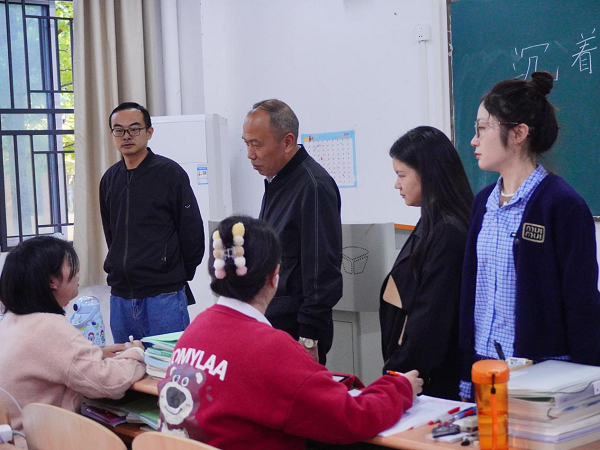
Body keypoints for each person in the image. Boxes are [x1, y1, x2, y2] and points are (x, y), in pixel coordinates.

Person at [157, 215, 423, 449]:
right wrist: (400, 388)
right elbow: (352, 418)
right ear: (275, 276)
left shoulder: (195, 329)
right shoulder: (269, 347)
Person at [459, 71, 600, 400]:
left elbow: (582, 305)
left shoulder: (561, 205)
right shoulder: (483, 203)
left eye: (482, 129)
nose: (474, 141)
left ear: (518, 133)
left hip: (542, 376)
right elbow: (472, 293)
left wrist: (588, 387)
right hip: (483, 368)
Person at [0, 236, 146, 446]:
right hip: (40, 442)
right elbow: (109, 382)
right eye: (71, 265)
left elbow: (50, 361)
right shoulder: (50, 327)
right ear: (52, 281)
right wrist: (136, 353)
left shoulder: (10, 321)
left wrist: (98, 353)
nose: (77, 273)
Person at [242, 99, 342, 364]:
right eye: (246, 143)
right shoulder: (277, 180)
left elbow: (322, 268)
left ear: (287, 142)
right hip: (271, 320)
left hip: (297, 329)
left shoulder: (313, 186)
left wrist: (309, 337)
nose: (250, 154)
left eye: (256, 144)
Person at [379, 126, 473, 400]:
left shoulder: (448, 233)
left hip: (433, 382)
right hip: (421, 376)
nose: (397, 185)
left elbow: (431, 319)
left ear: (427, 174)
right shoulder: (434, 221)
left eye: (401, 175)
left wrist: (397, 375)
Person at [100, 102, 205, 343]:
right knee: (127, 364)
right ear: (112, 134)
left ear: (149, 132)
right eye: (119, 130)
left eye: (134, 129)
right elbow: (111, 233)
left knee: (170, 363)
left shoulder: (170, 174)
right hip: (121, 298)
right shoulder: (109, 179)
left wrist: (176, 274)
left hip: (164, 296)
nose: (127, 136)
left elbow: (192, 232)